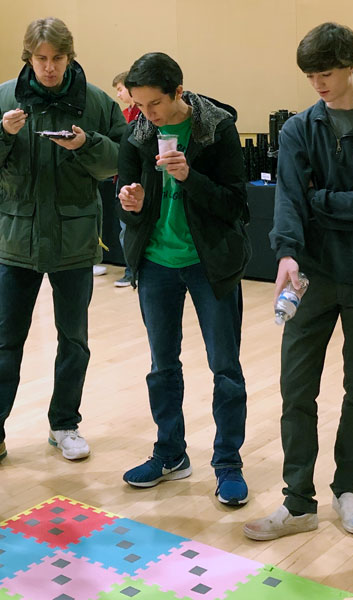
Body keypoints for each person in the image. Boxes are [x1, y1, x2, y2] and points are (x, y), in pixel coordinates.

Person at [243, 23, 353, 541]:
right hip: (308, 273)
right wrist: (286, 252)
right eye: (310, 75)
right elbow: (289, 198)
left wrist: (322, 201)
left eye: (326, 73)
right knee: (296, 387)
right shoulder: (298, 129)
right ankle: (297, 500)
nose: (318, 84)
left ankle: (347, 487)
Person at [0, 17, 126, 476]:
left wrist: (87, 144)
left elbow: (120, 161)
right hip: (15, 238)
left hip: (74, 237)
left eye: (57, 58)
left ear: (70, 57)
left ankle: (64, 425)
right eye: (41, 59)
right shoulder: (2, 99)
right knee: (4, 341)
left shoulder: (95, 102)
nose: (49, 68)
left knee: (74, 340)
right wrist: (1, 134)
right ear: (28, 58)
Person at [116, 52, 251, 505]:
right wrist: (131, 203)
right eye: (138, 106)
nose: (147, 116)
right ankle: (170, 453)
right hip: (156, 264)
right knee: (162, 367)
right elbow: (131, 199)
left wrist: (190, 177)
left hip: (209, 264)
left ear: (178, 92)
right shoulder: (137, 135)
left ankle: (228, 463)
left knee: (225, 368)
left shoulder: (217, 130)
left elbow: (235, 204)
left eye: (154, 105)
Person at [111, 71, 139, 288]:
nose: (119, 94)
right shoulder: (122, 115)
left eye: (120, 89)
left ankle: (133, 270)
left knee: (130, 227)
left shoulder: (142, 114)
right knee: (124, 227)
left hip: (136, 179)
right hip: (121, 178)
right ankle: (130, 268)